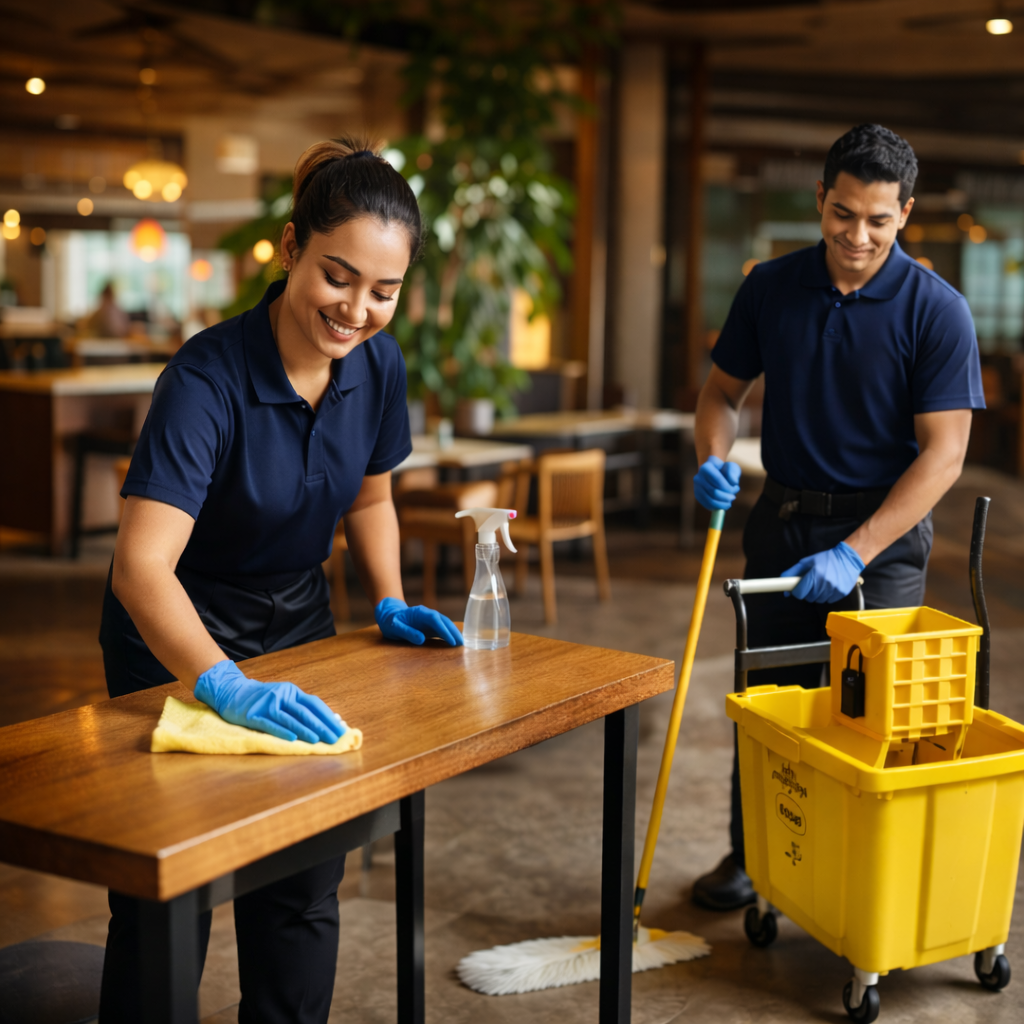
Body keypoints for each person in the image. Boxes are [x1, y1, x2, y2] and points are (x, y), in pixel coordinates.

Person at [97, 137, 463, 1023]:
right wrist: (220, 681)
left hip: (300, 620)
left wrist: (385, 595)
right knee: (168, 892)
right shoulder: (205, 380)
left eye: (384, 291)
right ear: (291, 247)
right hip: (177, 627)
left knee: (303, 879)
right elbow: (140, 567)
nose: (359, 310)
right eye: (340, 277)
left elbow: (370, 499)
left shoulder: (377, 364)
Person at [689, 124, 984, 911]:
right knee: (771, 707)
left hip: (880, 548)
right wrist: (715, 457)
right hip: (782, 530)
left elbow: (944, 454)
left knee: (872, 720)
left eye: (878, 221)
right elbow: (721, 394)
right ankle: (754, 856)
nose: (858, 236)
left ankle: (862, 878)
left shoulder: (936, 311)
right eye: (844, 213)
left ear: (905, 215)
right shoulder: (770, 287)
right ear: (821, 199)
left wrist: (856, 551)